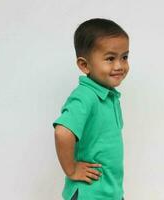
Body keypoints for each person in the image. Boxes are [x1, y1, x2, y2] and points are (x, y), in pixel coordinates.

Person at [53, 18, 130, 200]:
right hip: (90, 193)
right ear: (84, 65)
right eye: (110, 58)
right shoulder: (85, 96)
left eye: (124, 57)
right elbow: (62, 132)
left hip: (110, 191)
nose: (119, 66)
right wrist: (71, 169)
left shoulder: (109, 95)